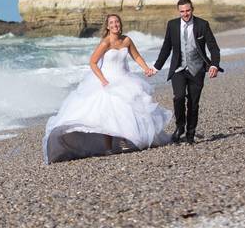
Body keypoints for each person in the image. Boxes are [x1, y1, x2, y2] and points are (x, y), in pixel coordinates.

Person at [43, 14, 171, 163]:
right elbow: (93, 62)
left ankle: (125, 139)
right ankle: (108, 147)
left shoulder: (126, 40)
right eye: (112, 23)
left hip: (125, 79)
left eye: (117, 22)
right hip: (107, 80)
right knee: (109, 112)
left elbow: (136, 57)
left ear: (120, 24)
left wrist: (146, 68)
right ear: (108, 27)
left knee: (126, 110)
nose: (115, 24)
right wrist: (103, 80)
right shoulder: (105, 43)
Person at [151, 0, 222, 145]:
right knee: (178, 97)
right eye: (182, 11)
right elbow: (166, 48)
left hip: (197, 69)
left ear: (192, 9)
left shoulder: (202, 24)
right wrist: (156, 67)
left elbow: (213, 47)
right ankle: (180, 126)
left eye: (188, 10)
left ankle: (191, 133)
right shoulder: (172, 25)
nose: (185, 14)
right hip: (178, 68)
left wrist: (214, 65)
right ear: (179, 11)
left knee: (193, 103)